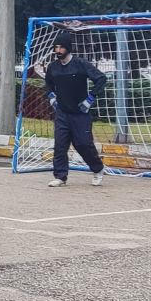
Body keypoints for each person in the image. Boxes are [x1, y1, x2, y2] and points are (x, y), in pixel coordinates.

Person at [44, 30, 107, 187]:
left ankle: (98, 169)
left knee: (83, 144)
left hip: (80, 114)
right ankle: (60, 176)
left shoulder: (80, 64)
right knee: (60, 146)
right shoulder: (53, 67)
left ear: (68, 48)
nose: (58, 50)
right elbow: (48, 83)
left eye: (61, 47)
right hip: (62, 113)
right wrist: (51, 97)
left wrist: (90, 99)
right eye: (56, 47)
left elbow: (101, 79)